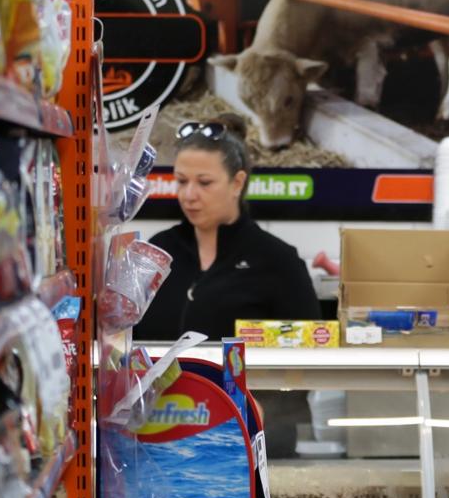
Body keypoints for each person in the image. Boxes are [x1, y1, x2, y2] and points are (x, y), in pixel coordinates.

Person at [135, 115, 321, 342]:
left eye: (204, 183)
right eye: (182, 181)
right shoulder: (159, 251)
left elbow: (307, 357)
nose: (189, 195)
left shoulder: (278, 261)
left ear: (237, 183)